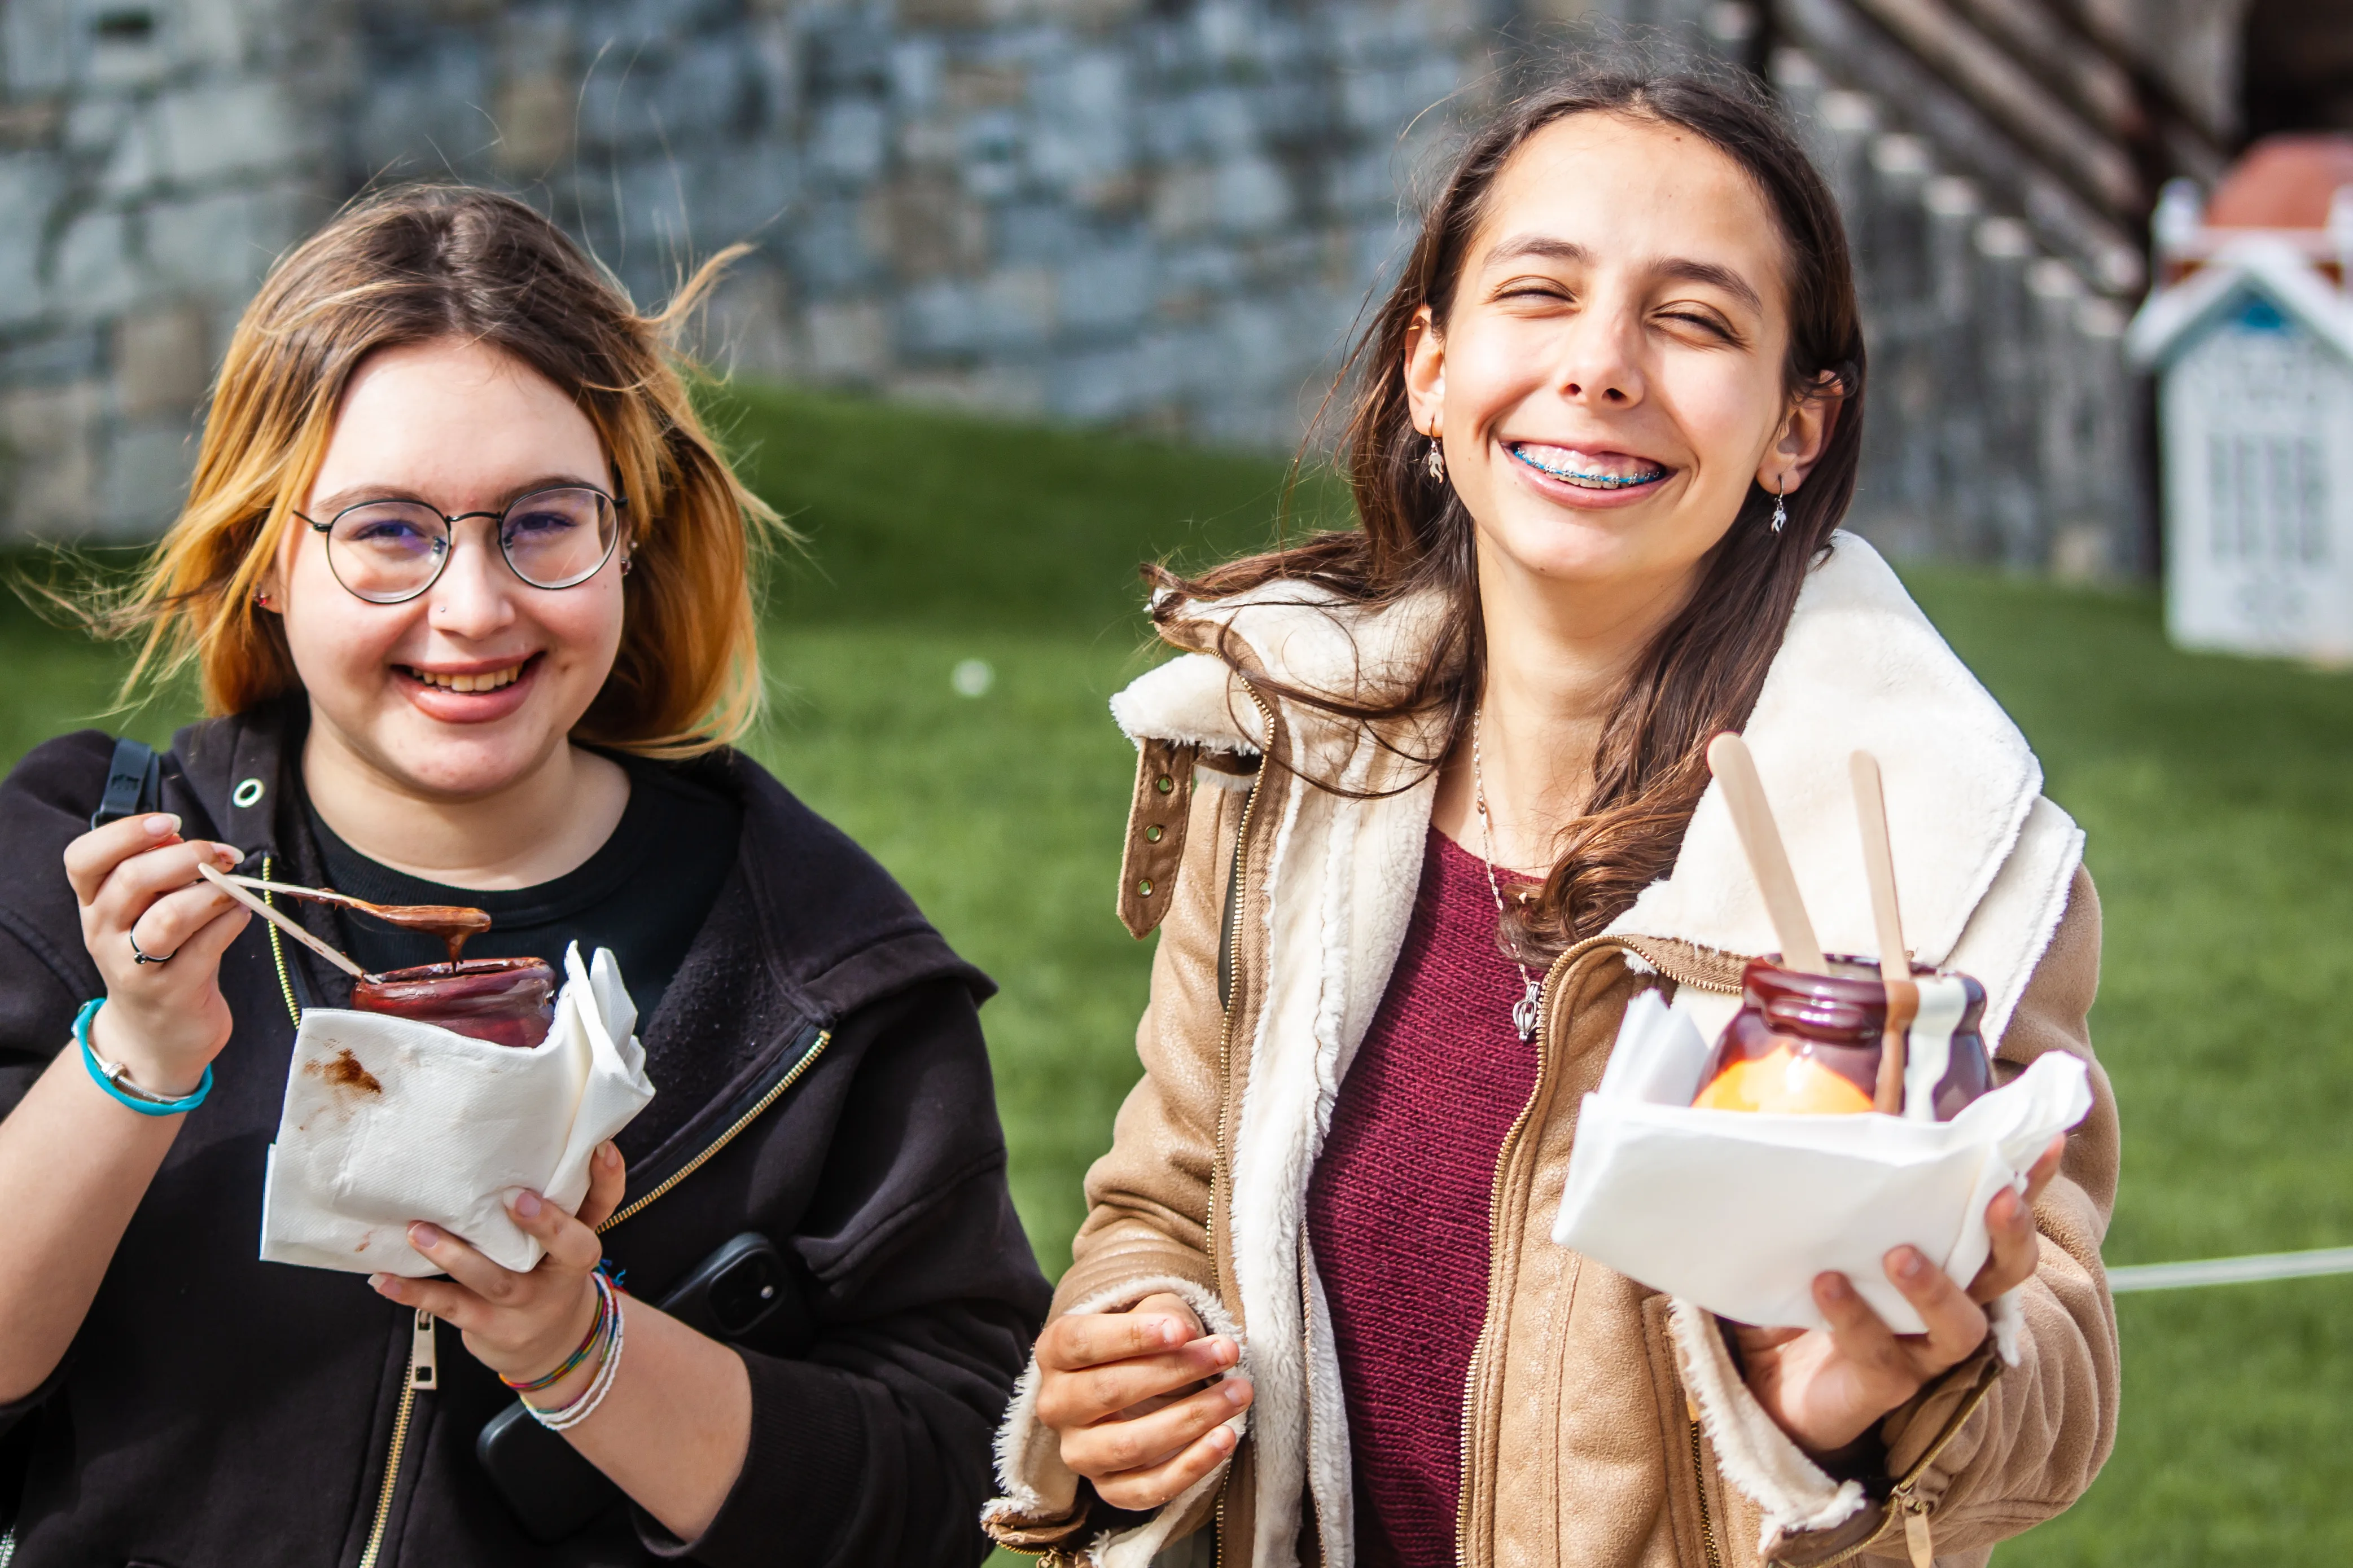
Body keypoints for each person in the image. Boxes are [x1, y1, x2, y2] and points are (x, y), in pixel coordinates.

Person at [983, 67, 2117, 1568]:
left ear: (1795, 425)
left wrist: (1861, 1412)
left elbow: (2056, 1354)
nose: (1600, 365)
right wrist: (1125, 1358)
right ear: (1430, 369)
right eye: (1540, 292)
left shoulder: (1931, 841)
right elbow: (1166, 1203)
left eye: (1693, 319)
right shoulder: (1287, 762)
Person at [0, 186, 1049, 1567]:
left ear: (629, 534)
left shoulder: (822, 973)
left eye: (543, 522)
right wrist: (134, 1057)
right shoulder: (84, 861)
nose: (474, 607)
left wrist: (581, 1352)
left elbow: (948, 1479)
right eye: (388, 530)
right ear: (266, 558)